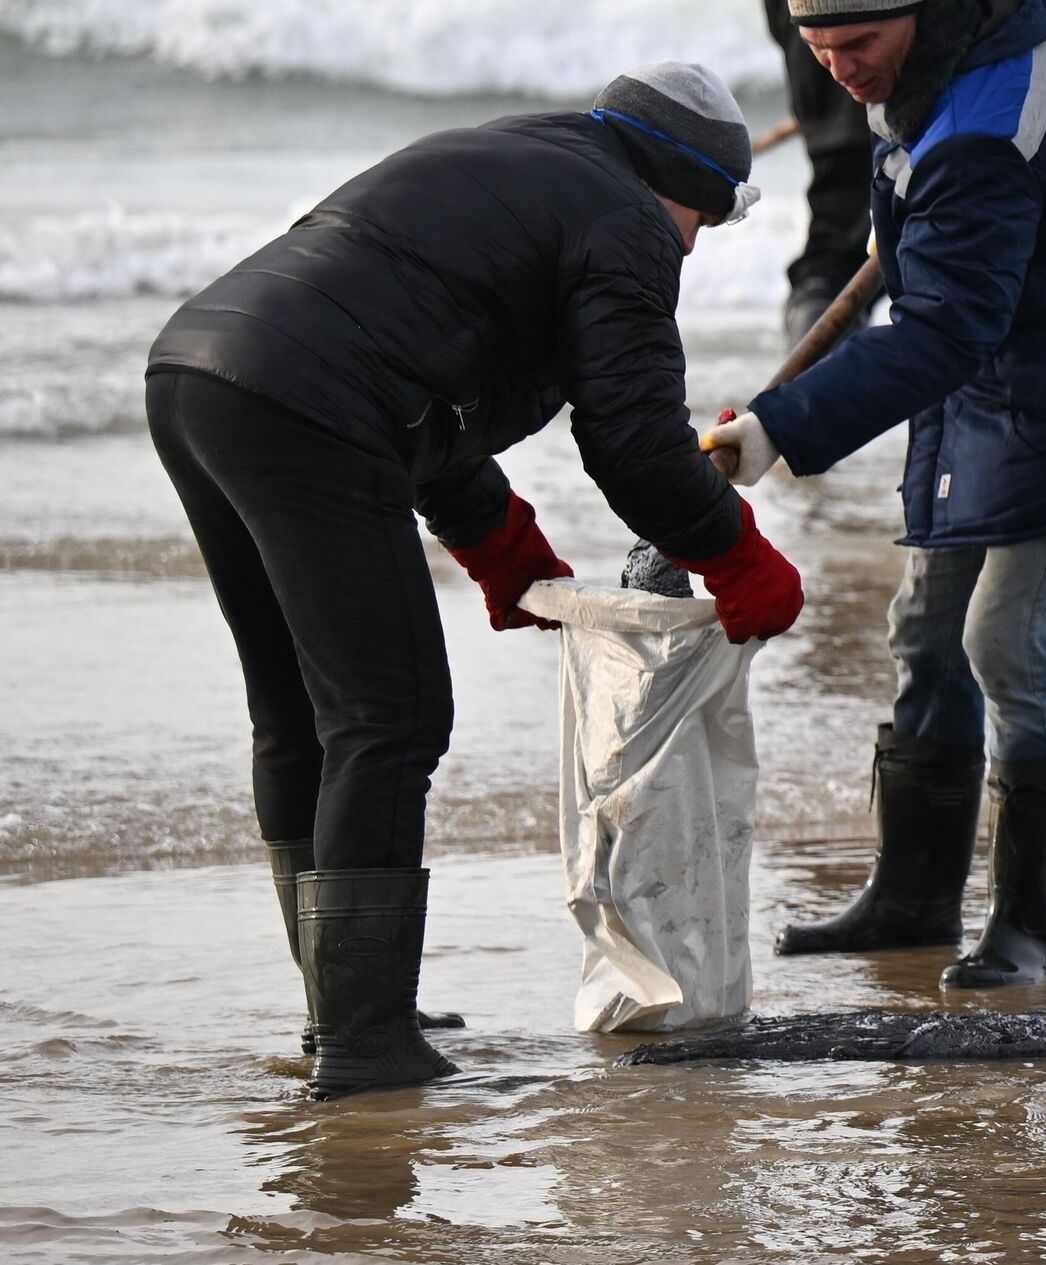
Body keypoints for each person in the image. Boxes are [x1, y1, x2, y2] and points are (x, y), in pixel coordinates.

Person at [145, 63, 805, 1099]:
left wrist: (494, 533)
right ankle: (364, 1042)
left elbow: (419, 357)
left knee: (297, 711)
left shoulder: (517, 153)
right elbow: (630, 438)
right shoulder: (627, 219)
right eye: (704, 218)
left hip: (196, 369)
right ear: (677, 179)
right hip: (312, 398)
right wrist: (736, 550)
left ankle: (345, 1006)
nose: (690, 243)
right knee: (388, 717)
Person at [702, 0, 1046, 988]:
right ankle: (914, 897)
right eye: (818, 51)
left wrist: (780, 428)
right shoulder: (947, 59)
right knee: (924, 629)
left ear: (915, 12)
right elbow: (950, 294)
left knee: (1002, 641)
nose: (839, 71)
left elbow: (941, 327)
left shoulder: (984, 130)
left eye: (857, 46)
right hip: (987, 380)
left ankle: (1023, 924)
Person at [762, 0, 877, 345]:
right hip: (860, 52)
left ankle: (812, 373)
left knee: (836, 241)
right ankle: (814, 378)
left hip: (814, 56)